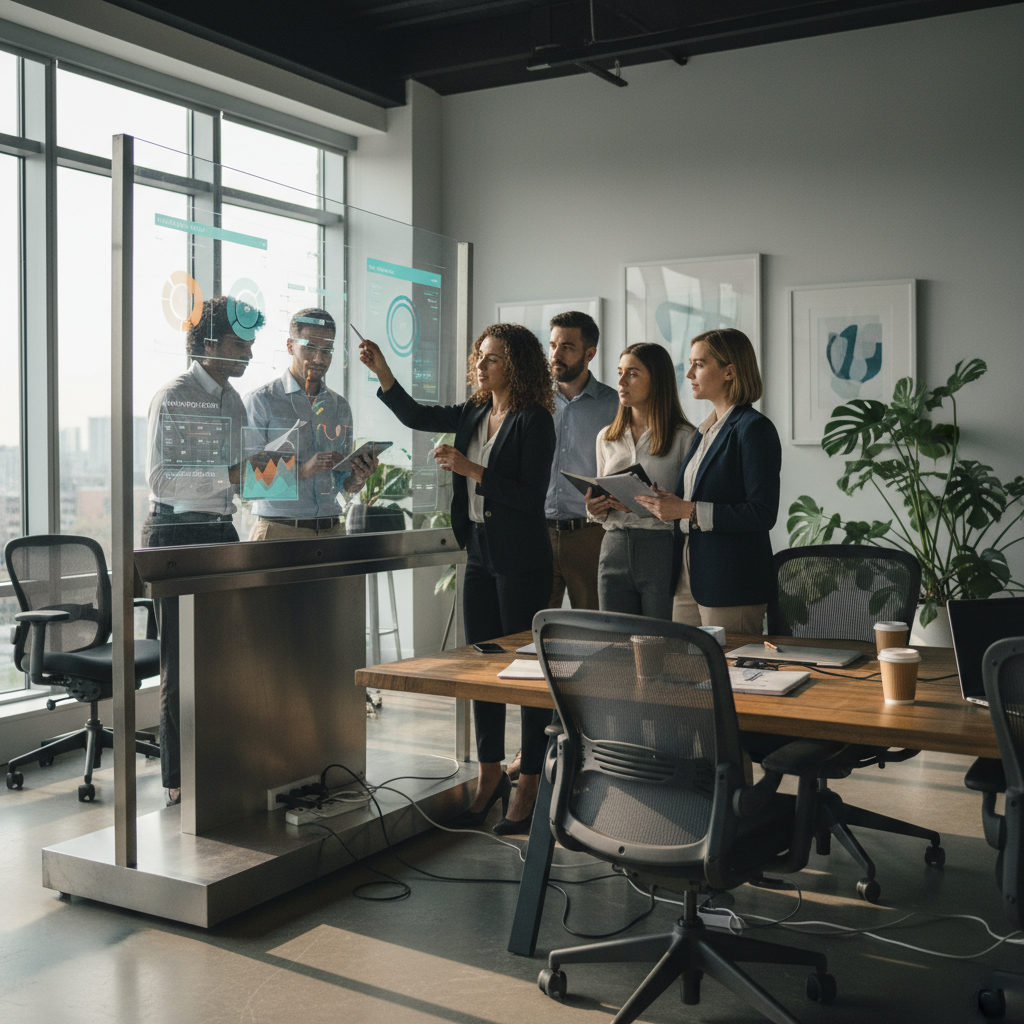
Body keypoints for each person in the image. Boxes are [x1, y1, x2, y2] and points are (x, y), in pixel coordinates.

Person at [358, 324, 555, 836]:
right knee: (481, 670)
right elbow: (418, 415)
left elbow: (530, 496)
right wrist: (383, 372)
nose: (481, 366)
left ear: (515, 365)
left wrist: (471, 468)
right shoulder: (474, 412)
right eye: (479, 358)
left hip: (522, 559)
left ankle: (530, 778)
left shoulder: (535, 421)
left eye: (492, 359)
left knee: (529, 676)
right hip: (481, 555)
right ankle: (490, 774)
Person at [141, 295, 263, 806]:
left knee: (229, 658)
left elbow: (242, 482)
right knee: (181, 663)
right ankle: (178, 782)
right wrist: (231, 475)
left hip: (219, 529)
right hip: (176, 534)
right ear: (210, 343)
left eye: (253, 343)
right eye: (241, 343)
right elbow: (160, 478)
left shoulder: (233, 402)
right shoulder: (174, 395)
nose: (250, 354)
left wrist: (292, 468)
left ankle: (221, 766)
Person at [635, 328, 781, 633]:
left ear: (729, 371)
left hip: (731, 580)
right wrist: (662, 504)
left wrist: (687, 510)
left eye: (699, 364)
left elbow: (762, 512)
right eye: (690, 364)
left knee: (734, 675)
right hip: (689, 572)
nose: (689, 373)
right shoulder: (703, 432)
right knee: (687, 671)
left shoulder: (753, 429)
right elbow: (692, 501)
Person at [244, 308, 377, 539]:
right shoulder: (261, 401)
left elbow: (341, 488)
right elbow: (247, 483)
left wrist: (357, 477)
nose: (319, 358)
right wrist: (302, 471)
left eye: (327, 350)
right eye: (309, 348)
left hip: (332, 531)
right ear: (290, 346)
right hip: (279, 533)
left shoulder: (340, 407)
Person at [587, 342, 694, 619]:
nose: (621, 381)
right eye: (620, 372)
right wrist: (595, 508)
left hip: (660, 548)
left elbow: (688, 508)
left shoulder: (685, 437)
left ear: (656, 380)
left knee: (657, 642)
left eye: (632, 373)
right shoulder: (606, 437)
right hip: (613, 547)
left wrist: (651, 504)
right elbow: (601, 496)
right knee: (616, 642)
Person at [544, 310, 619, 609]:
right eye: (553, 345)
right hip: (540, 534)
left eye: (567, 347)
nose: (556, 354)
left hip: (591, 536)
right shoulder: (534, 402)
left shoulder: (615, 405)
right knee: (532, 632)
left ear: (590, 353)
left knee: (594, 632)